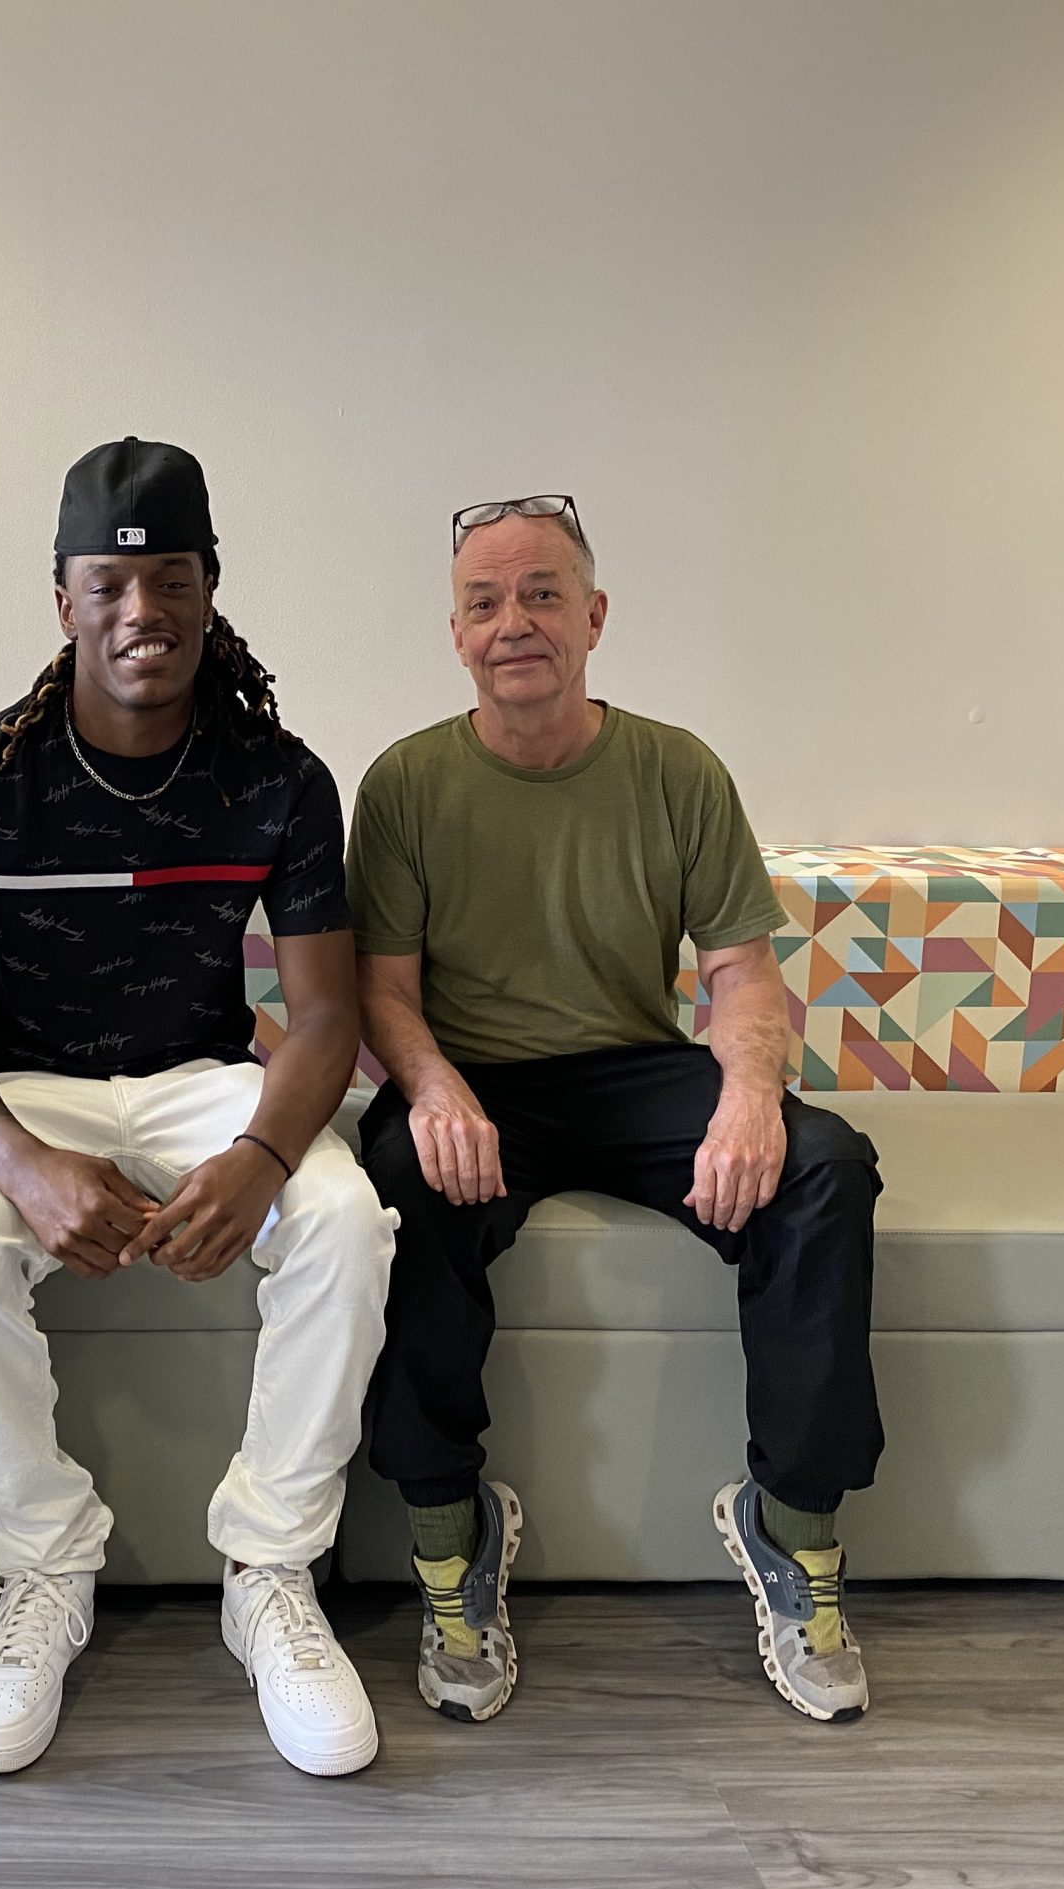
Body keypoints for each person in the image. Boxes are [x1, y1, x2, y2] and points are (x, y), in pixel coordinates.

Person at [0, 438, 396, 1778]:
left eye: (170, 579)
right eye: (108, 584)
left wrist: (268, 1148)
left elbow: (327, 1016)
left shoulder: (278, 778)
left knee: (345, 1215)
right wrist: (23, 1163)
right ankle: (44, 1572)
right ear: (62, 599)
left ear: (211, 590)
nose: (140, 614)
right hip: (24, 1084)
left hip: (204, 1078)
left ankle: (271, 1573)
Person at [348, 494, 884, 1727]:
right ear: (455, 632)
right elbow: (381, 990)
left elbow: (741, 969)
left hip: (634, 1068)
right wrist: (429, 1087)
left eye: (541, 595)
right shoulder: (407, 783)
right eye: (485, 602)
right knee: (396, 1184)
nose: (514, 622)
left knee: (825, 1168)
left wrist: (751, 1091)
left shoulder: (674, 768)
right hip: (477, 1079)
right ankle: (449, 1545)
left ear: (593, 617)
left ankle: (791, 1529)